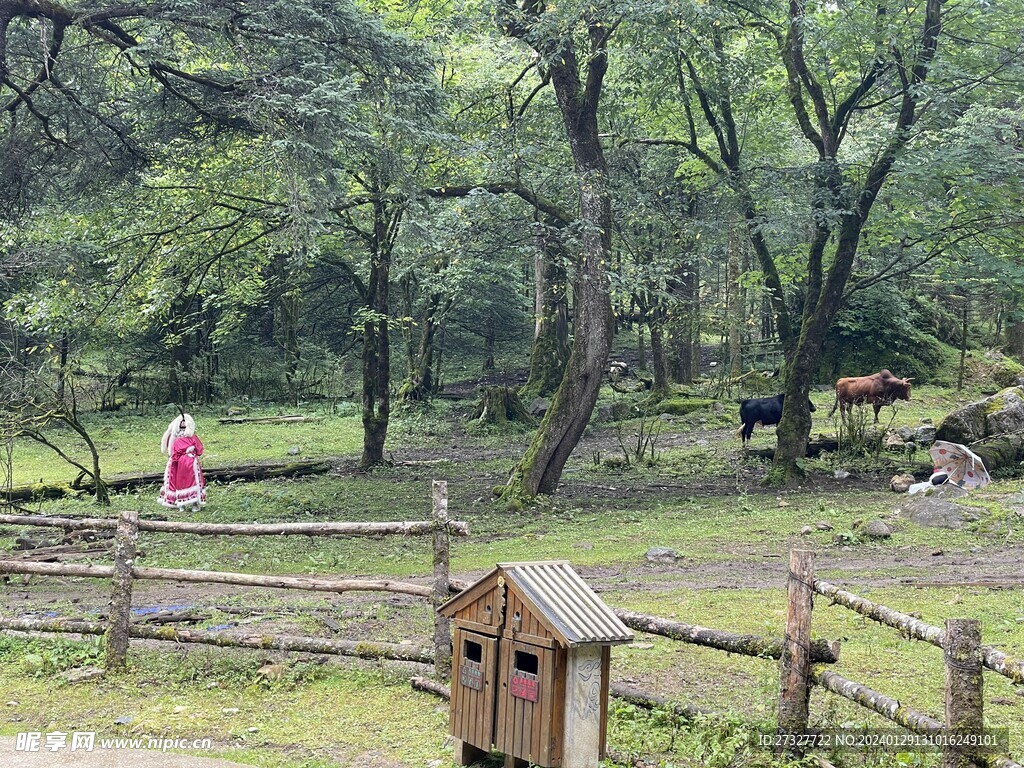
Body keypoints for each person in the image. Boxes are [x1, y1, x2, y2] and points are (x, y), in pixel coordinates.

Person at [159, 412, 207, 511]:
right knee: (177, 480)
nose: (183, 423)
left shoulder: (192, 437)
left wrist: (192, 452)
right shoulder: (174, 437)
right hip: (177, 462)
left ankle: (194, 502)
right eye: (181, 421)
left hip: (190, 462)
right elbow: (172, 449)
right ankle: (180, 503)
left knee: (193, 480)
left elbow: (199, 449)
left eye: (185, 421)